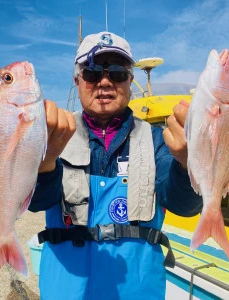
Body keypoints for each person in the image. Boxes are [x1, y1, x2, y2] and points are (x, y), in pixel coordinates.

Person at [28, 31, 203, 299]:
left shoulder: (157, 139)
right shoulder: (55, 133)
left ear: (130, 81)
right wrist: (47, 161)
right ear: (77, 81)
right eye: (92, 72)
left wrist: (189, 162)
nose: (105, 82)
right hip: (65, 288)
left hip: (138, 289)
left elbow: (185, 206)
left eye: (118, 73)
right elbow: (35, 202)